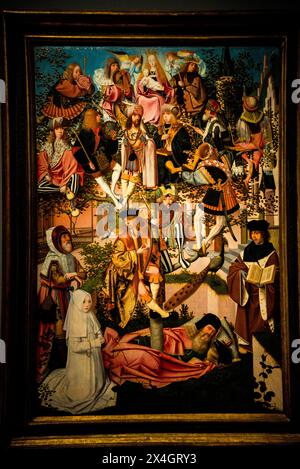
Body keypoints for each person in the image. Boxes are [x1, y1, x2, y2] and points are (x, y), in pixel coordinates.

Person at [102, 313, 239, 389]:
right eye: (209, 328)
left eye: (213, 332)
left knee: (146, 360)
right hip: (149, 346)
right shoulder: (184, 332)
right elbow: (167, 334)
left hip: (166, 364)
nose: (209, 333)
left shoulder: (208, 349)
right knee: (136, 355)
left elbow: (209, 361)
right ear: (202, 326)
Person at [38, 290, 117, 414]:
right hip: (82, 361)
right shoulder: (75, 321)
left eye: (89, 301)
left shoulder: (90, 315)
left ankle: (97, 384)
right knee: (83, 391)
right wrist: (94, 343)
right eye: (83, 302)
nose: (87, 305)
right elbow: (75, 347)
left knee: (97, 379)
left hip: (93, 357)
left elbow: (97, 330)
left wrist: (99, 336)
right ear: (77, 303)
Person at [102, 208, 170, 329]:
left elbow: (146, 248)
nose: (134, 222)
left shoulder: (139, 232)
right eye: (131, 220)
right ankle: (160, 311)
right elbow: (117, 259)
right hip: (127, 271)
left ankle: (153, 301)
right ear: (127, 222)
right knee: (141, 287)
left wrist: (147, 246)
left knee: (155, 271)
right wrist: (135, 253)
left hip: (139, 265)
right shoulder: (122, 238)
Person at [36, 225, 87, 383]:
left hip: (66, 294)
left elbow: (83, 272)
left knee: (68, 327)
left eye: (67, 237)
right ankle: (56, 364)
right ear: (56, 241)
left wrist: (74, 275)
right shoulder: (52, 258)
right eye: (63, 238)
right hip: (53, 296)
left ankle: (66, 364)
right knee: (56, 329)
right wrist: (72, 276)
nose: (67, 241)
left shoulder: (70, 257)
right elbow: (57, 280)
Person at [227, 219, 279, 346]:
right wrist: (241, 274)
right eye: (252, 233)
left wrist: (266, 282)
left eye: (257, 233)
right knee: (247, 325)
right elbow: (234, 269)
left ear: (264, 234)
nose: (254, 236)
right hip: (248, 296)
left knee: (263, 330)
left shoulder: (272, 254)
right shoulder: (246, 252)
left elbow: (276, 274)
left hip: (264, 297)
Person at [182, 142, 239, 254]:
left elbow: (193, 179)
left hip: (220, 194)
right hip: (218, 193)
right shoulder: (216, 164)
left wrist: (181, 172)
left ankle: (204, 243)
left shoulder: (209, 166)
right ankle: (203, 243)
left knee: (212, 220)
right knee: (212, 220)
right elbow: (194, 179)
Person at [72, 108, 122, 209]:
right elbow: (75, 150)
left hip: (102, 156)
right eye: (97, 115)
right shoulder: (84, 133)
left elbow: (112, 150)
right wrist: (87, 162)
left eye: (99, 115)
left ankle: (112, 190)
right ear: (92, 118)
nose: (100, 117)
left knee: (118, 168)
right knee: (100, 180)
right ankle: (115, 201)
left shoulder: (102, 130)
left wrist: (113, 139)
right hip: (90, 161)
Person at [37, 117, 84, 199]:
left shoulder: (67, 147)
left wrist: (64, 182)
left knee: (75, 176)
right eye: (57, 129)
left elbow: (71, 166)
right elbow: (42, 162)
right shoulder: (47, 145)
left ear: (64, 131)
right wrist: (46, 174)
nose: (60, 131)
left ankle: (72, 202)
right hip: (52, 176)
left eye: (62, 128)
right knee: (39, 187)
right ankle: (62, 190)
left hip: (64, 176)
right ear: (53, 131)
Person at [120, 104, 158, 206]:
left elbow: (147, 144)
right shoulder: (126, 131)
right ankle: (124, 199)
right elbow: (124, 145)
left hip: (138, 158)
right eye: (134, 115)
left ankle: (124, 199)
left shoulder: (141, 132)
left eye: (138, 116)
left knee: (134, 178)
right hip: (129, 157)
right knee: (124, 177)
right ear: (130, 117)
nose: (137, 117)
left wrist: (147, 142)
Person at [233, 96, 273, 186]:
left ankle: (244, 171)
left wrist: (239, 143)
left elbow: (244, 138)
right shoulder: (264, 117)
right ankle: (249, 176)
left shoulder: (243, 120)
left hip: (253, 144)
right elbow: (269, 135)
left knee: (235, 148)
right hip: (262, 143)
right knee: (256, 159)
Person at [156, 104, 191, 186]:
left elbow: (186, 144)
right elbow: (155, 141)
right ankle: (160, 182)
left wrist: (173, 144)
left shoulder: (179, 128)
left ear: (173, 116)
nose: (165, 116)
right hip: (162, 153)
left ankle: (171, 181)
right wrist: (161, 138)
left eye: (168, 114)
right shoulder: (160, 128)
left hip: (175, 154)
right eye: (163, 114)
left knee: (169, 163)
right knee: (159, 161)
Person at [136, 52, 174, 125]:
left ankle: (155, 119)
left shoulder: (159, 71)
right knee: (141, 99)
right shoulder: (146, 71)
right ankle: (144, 119)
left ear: (156, 61)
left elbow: (164, 84)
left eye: (153, 60)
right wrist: (144, 85)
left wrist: (160, 87)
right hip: (148, 92)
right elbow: (140, 83)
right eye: (150, 60)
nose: (152, 62)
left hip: (157, 93)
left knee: (157, 100)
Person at [99, 57, 134, 126]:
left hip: (123, 102)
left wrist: (126, 85)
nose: (116, 67)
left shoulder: (122, 78)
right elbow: (107, 96)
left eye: (117, 65)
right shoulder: (106, 81)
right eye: (113, 65)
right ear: (109, 68)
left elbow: (128, 94)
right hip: (110, 105)